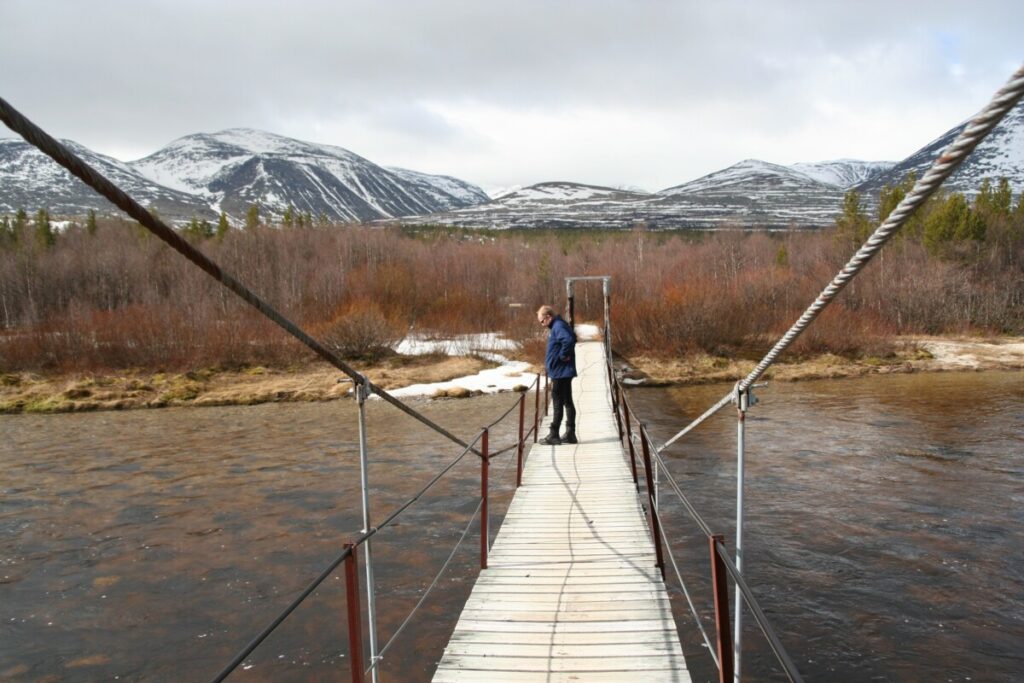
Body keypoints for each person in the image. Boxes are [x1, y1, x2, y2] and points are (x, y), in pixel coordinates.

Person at [537, 305, 577, 445]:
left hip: (561, 372)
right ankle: (570, 434)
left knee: (558, 401)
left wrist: (563, 355)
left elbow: (569, 340)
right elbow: (573, 337)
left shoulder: (558, 326)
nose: (542, 325)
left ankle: (554, 434)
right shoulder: (559, 324)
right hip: (563, 371)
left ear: (548, 317)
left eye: (542, 321)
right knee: (567, 401)